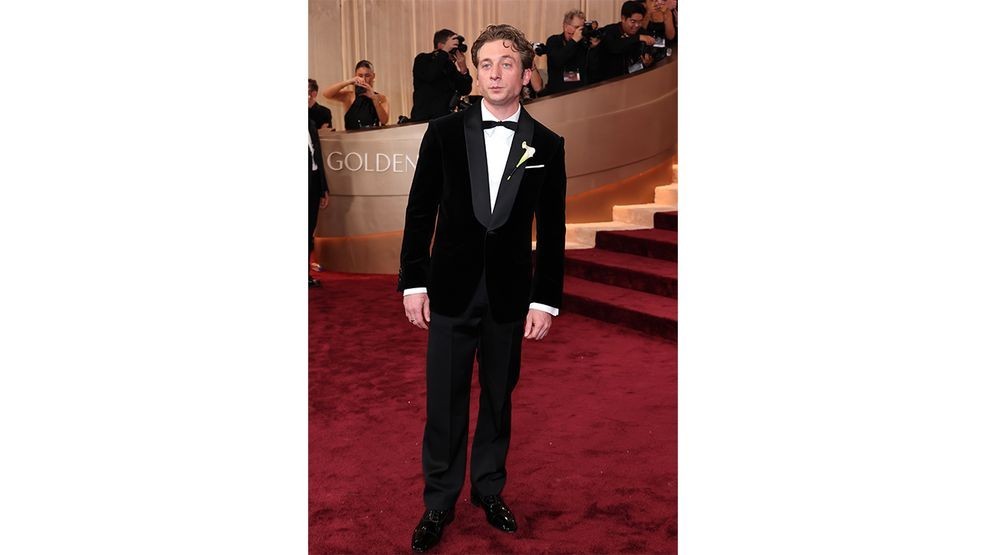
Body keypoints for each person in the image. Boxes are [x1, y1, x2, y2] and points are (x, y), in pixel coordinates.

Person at [398, 23, 567, 553]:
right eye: (486, 64)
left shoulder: (547, 144)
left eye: (507, 64)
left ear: (525, 72)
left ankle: (489, 489)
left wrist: (545, 297)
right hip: (449, 288)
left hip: (509, 295)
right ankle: (438, 501)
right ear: (475, 70)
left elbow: (553, 227)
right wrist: (413, 281)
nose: (495, 74)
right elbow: (420, 210)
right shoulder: (444, 132)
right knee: (444, 400)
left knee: (498, 397)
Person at [409, 29, 474, 122]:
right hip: (424, 119)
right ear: (440, 45)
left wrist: (463, 68)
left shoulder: (449, 66)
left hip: (445, 118)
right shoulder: (423, 59)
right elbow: (430, 75)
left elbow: (464, 89)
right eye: (451, 45)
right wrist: (444, 52)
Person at [590, 0, 657, 83]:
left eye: (640, 21)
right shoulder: (610, 30)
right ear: (623, 18)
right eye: (633, 21)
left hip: (634, 81)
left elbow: (650, 54)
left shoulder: (642, 32)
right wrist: (637, 38)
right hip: (609, 82)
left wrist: (649, 62)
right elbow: (614, 47)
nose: (637, 25)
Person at [321, 60, 390, 129]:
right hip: (352, 138)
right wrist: (349, 81)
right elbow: (326, 94)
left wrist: (374, 99)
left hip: (373, 137)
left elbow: (384, 121)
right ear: (355, 76)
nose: (363, 79)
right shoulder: (349, 96)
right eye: (360, 76)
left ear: (373, 76)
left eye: (367, 75)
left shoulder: (381, 98)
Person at [542, 10, 593, 95]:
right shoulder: (554, 41)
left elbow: (588, 72)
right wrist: (573, 41)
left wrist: (594, 47)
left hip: (580, 93)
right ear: (565, 26)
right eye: (577, 27)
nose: (580, 32)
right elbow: (557, 61)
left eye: (582, 28)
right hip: (557, 94)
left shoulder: (583, 44)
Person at [308, 117, 329, 287]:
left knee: (308, 231)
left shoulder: (310, 122)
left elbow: (318, 158)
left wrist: (323, 188)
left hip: (313, 182)